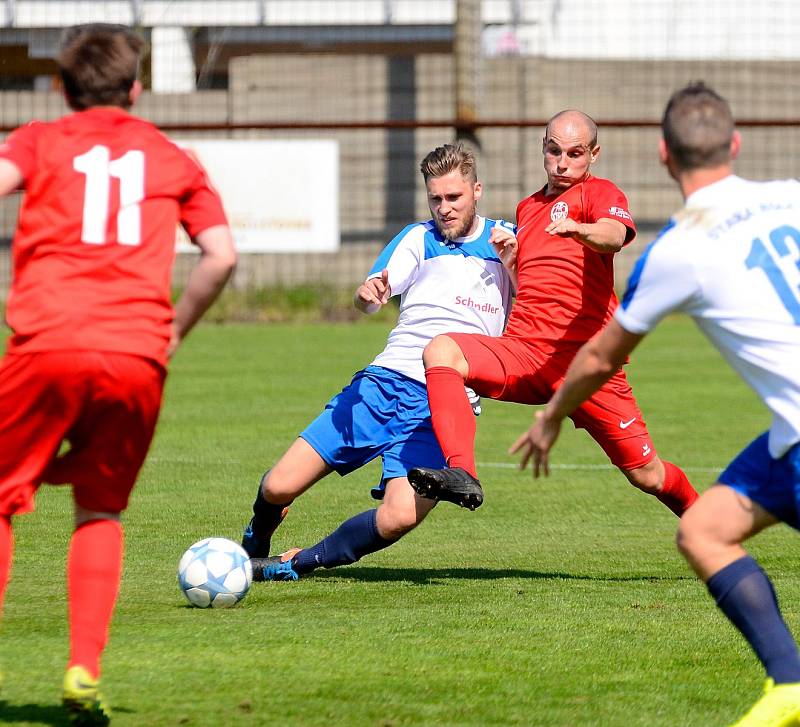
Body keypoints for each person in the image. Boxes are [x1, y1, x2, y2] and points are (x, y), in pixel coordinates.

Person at [515, 83, 800, 726]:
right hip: (789, 438)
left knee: (702, 533)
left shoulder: (679, 249)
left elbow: (597, 356)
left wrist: (552, 416)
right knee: (703, 528)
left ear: (664, 156)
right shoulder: (791, 195)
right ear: (735, 143)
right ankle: (789, 683)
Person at [0, 24, 236, 724]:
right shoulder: (172, 156)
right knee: (99, 509)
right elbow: (220, 256)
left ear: (60, 87)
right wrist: (171, 331)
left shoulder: (41, 139)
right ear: (136, 88)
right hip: (135, 354)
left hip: (45, 344)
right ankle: (83, 670)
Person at [241, 143, 515, 581]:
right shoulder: (417, 238)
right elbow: (372, 294)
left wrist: (515, 263)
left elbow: (539, 300)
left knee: (398, 517)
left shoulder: (507, 240)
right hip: (384, 386)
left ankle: (296, 563)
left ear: (477, 190)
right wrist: (367, 295)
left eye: (454, 198)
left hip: (443, 406)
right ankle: (253, 543)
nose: (444, 208)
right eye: (435, 199)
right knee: (277, 486)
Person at [408, 110, 698, 517]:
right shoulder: (528, 208)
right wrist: (512, 263)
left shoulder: (598, 193)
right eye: (554, 150)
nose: (563, 163)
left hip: (587, 367)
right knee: (441, 351)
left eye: (575, 153)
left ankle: (706, 523)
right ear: (542, 149)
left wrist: (581, 230)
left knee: (647, 475)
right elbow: (539, 284)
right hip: (526, 354)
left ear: (593, 154)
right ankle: (462, 473)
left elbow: (614, 237)